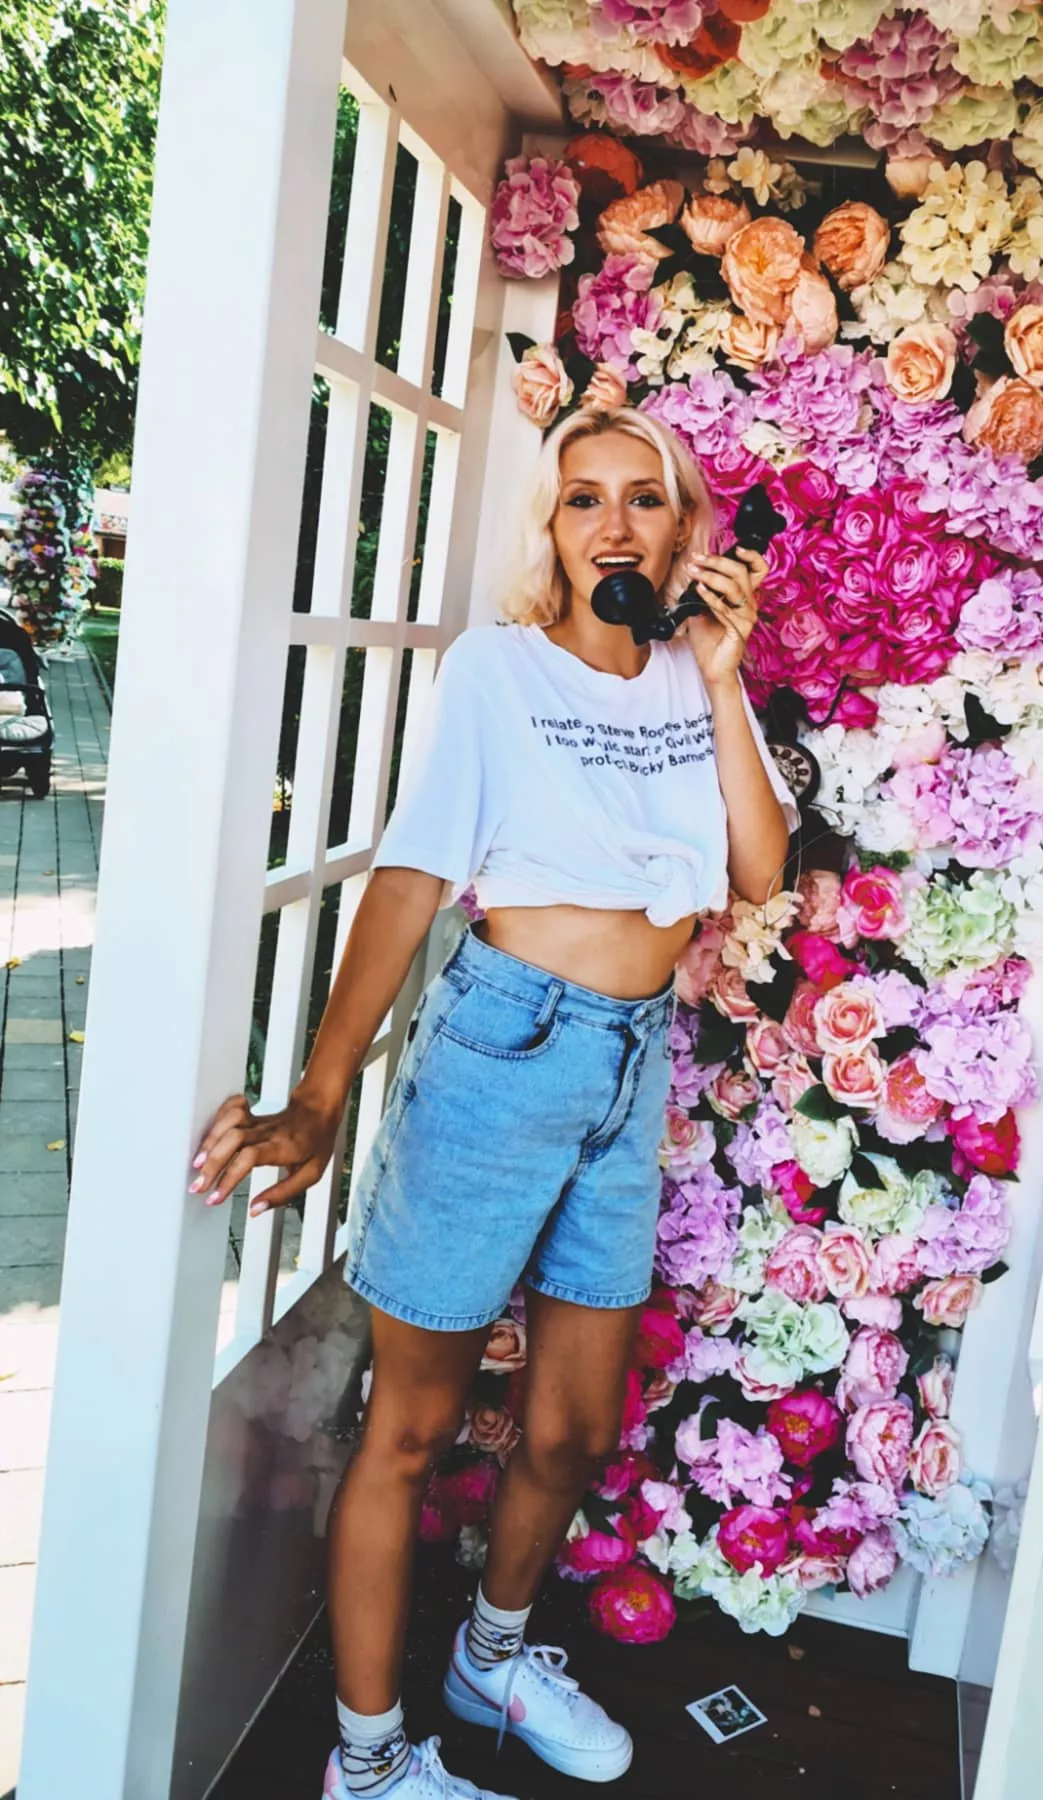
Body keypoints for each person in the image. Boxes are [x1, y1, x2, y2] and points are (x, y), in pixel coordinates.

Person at [192, 405, 798, 1800]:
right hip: (502, 1049)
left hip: (632, 1063)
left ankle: (493, 1658)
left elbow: (760, 870)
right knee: (410, 1430)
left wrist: (723, 679)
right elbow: (414, 874)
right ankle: (366, 1763)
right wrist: (321, 1091)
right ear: (553, 528)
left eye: (644, 498)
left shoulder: (692, 676)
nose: (614, 526)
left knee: (573, 1428)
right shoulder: (498, 671)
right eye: (584, 499)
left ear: (684, 528)